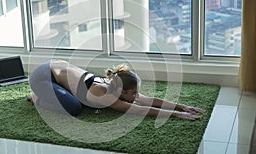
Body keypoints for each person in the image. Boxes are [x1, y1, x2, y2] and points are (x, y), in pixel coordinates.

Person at [27, 59, 206, 120]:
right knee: (74, 108)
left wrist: (181, 106)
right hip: (42, 76)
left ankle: (50, 93)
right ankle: (36, 97)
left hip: (57, 68)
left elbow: (147, 100)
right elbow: (142, 109)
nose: (137, 96)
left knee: (77, 102)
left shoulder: (116, 84)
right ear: (122, 92)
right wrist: (177, 115)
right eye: (134, 93)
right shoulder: (108, 97)